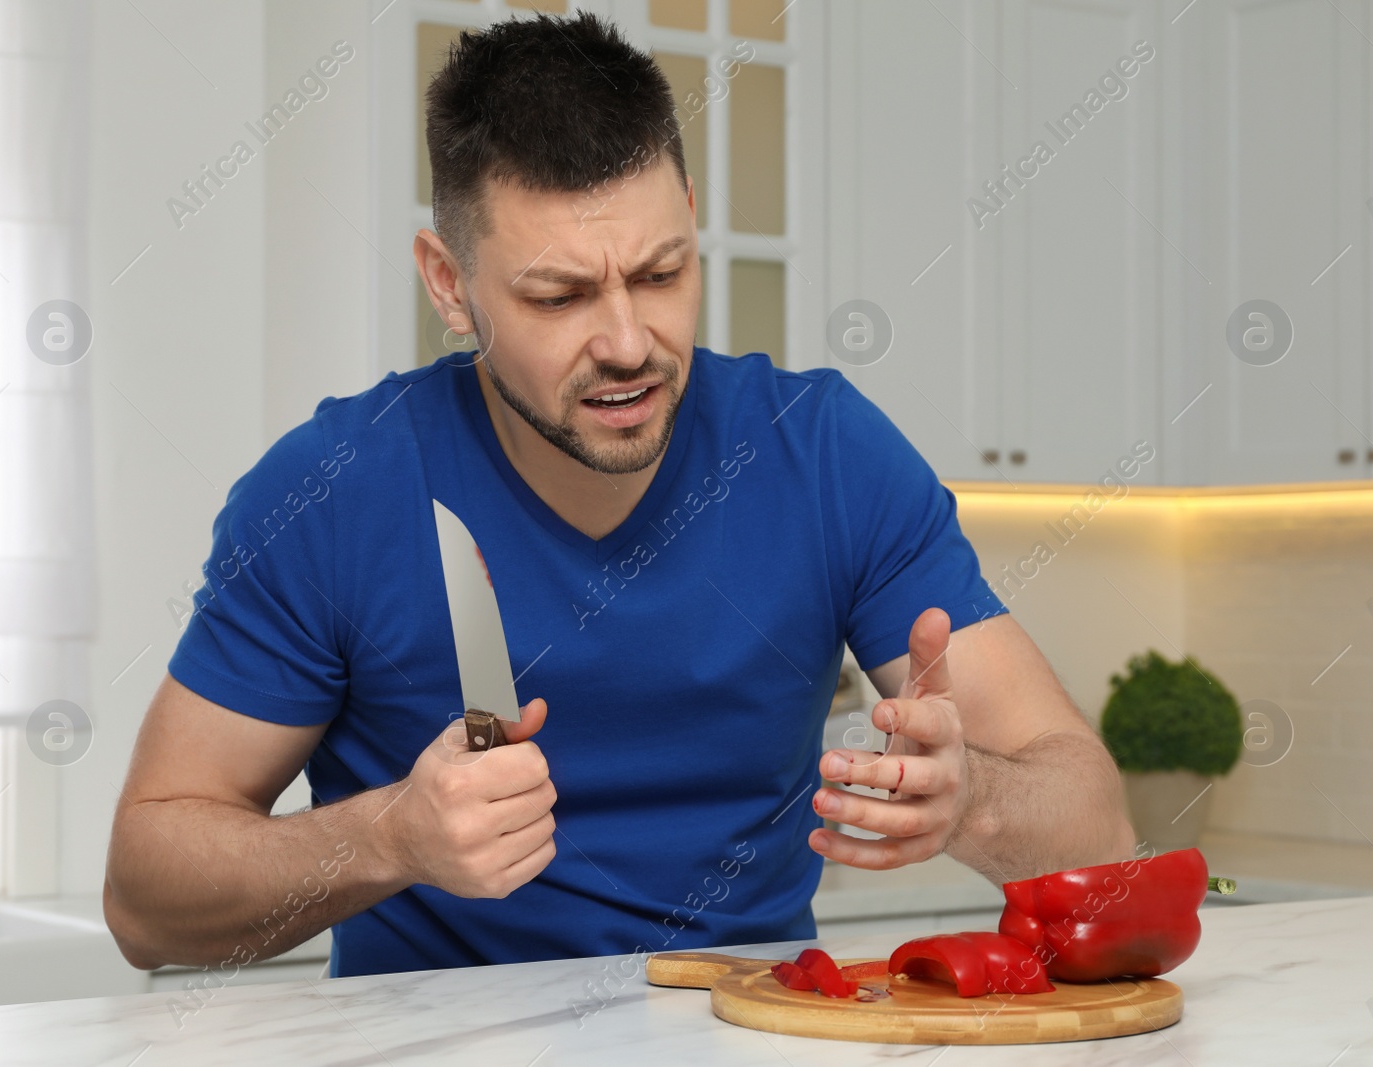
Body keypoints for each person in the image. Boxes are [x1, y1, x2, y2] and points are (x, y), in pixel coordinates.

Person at [103, 10, 1133, 981]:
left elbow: (1100, 830)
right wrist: (389, 838)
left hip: (748, 1027)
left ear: (690, 220)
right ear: (447, 282)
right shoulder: (329, 491)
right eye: (557, 296)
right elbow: (146, 904)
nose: (629, 343)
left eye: (658, 272)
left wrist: (972, 798)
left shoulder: (827, 454)